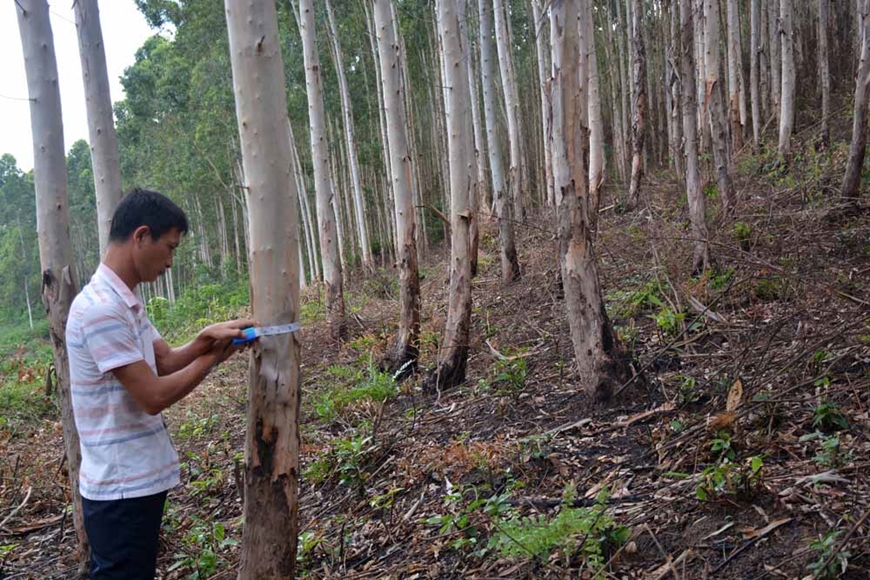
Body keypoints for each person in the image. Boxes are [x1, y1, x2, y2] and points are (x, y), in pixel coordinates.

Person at [66, 188, 254, 579]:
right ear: (140, 236)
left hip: (134, 481)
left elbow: (164, 360)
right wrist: (214, 357)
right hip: (119, 489)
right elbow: (152, 395)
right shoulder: (102, 309)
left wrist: (205, 339)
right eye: (169, 248)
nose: (170, 262)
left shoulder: (125, 301)